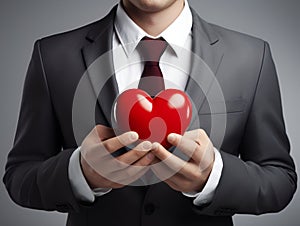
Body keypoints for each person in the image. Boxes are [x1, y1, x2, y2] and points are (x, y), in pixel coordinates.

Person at [3, 0, 297, 226]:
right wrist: (80, 173)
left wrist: (213, 178)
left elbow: (280, 180)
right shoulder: (53, 55)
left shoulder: (251, 56)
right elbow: (19, 176)